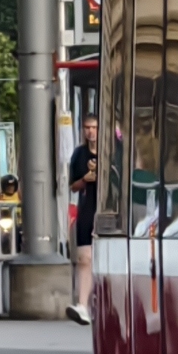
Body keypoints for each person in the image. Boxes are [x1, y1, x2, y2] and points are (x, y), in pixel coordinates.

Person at [68, 116, 99, 324]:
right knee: (84, 256)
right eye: (87, 128)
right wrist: (85, 179)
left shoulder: (114, 150)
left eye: (94, 128)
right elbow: (73, 186)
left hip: (108, 206)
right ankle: (82, 304)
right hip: (87, 206)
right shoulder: (79, 154)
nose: (90, 132)